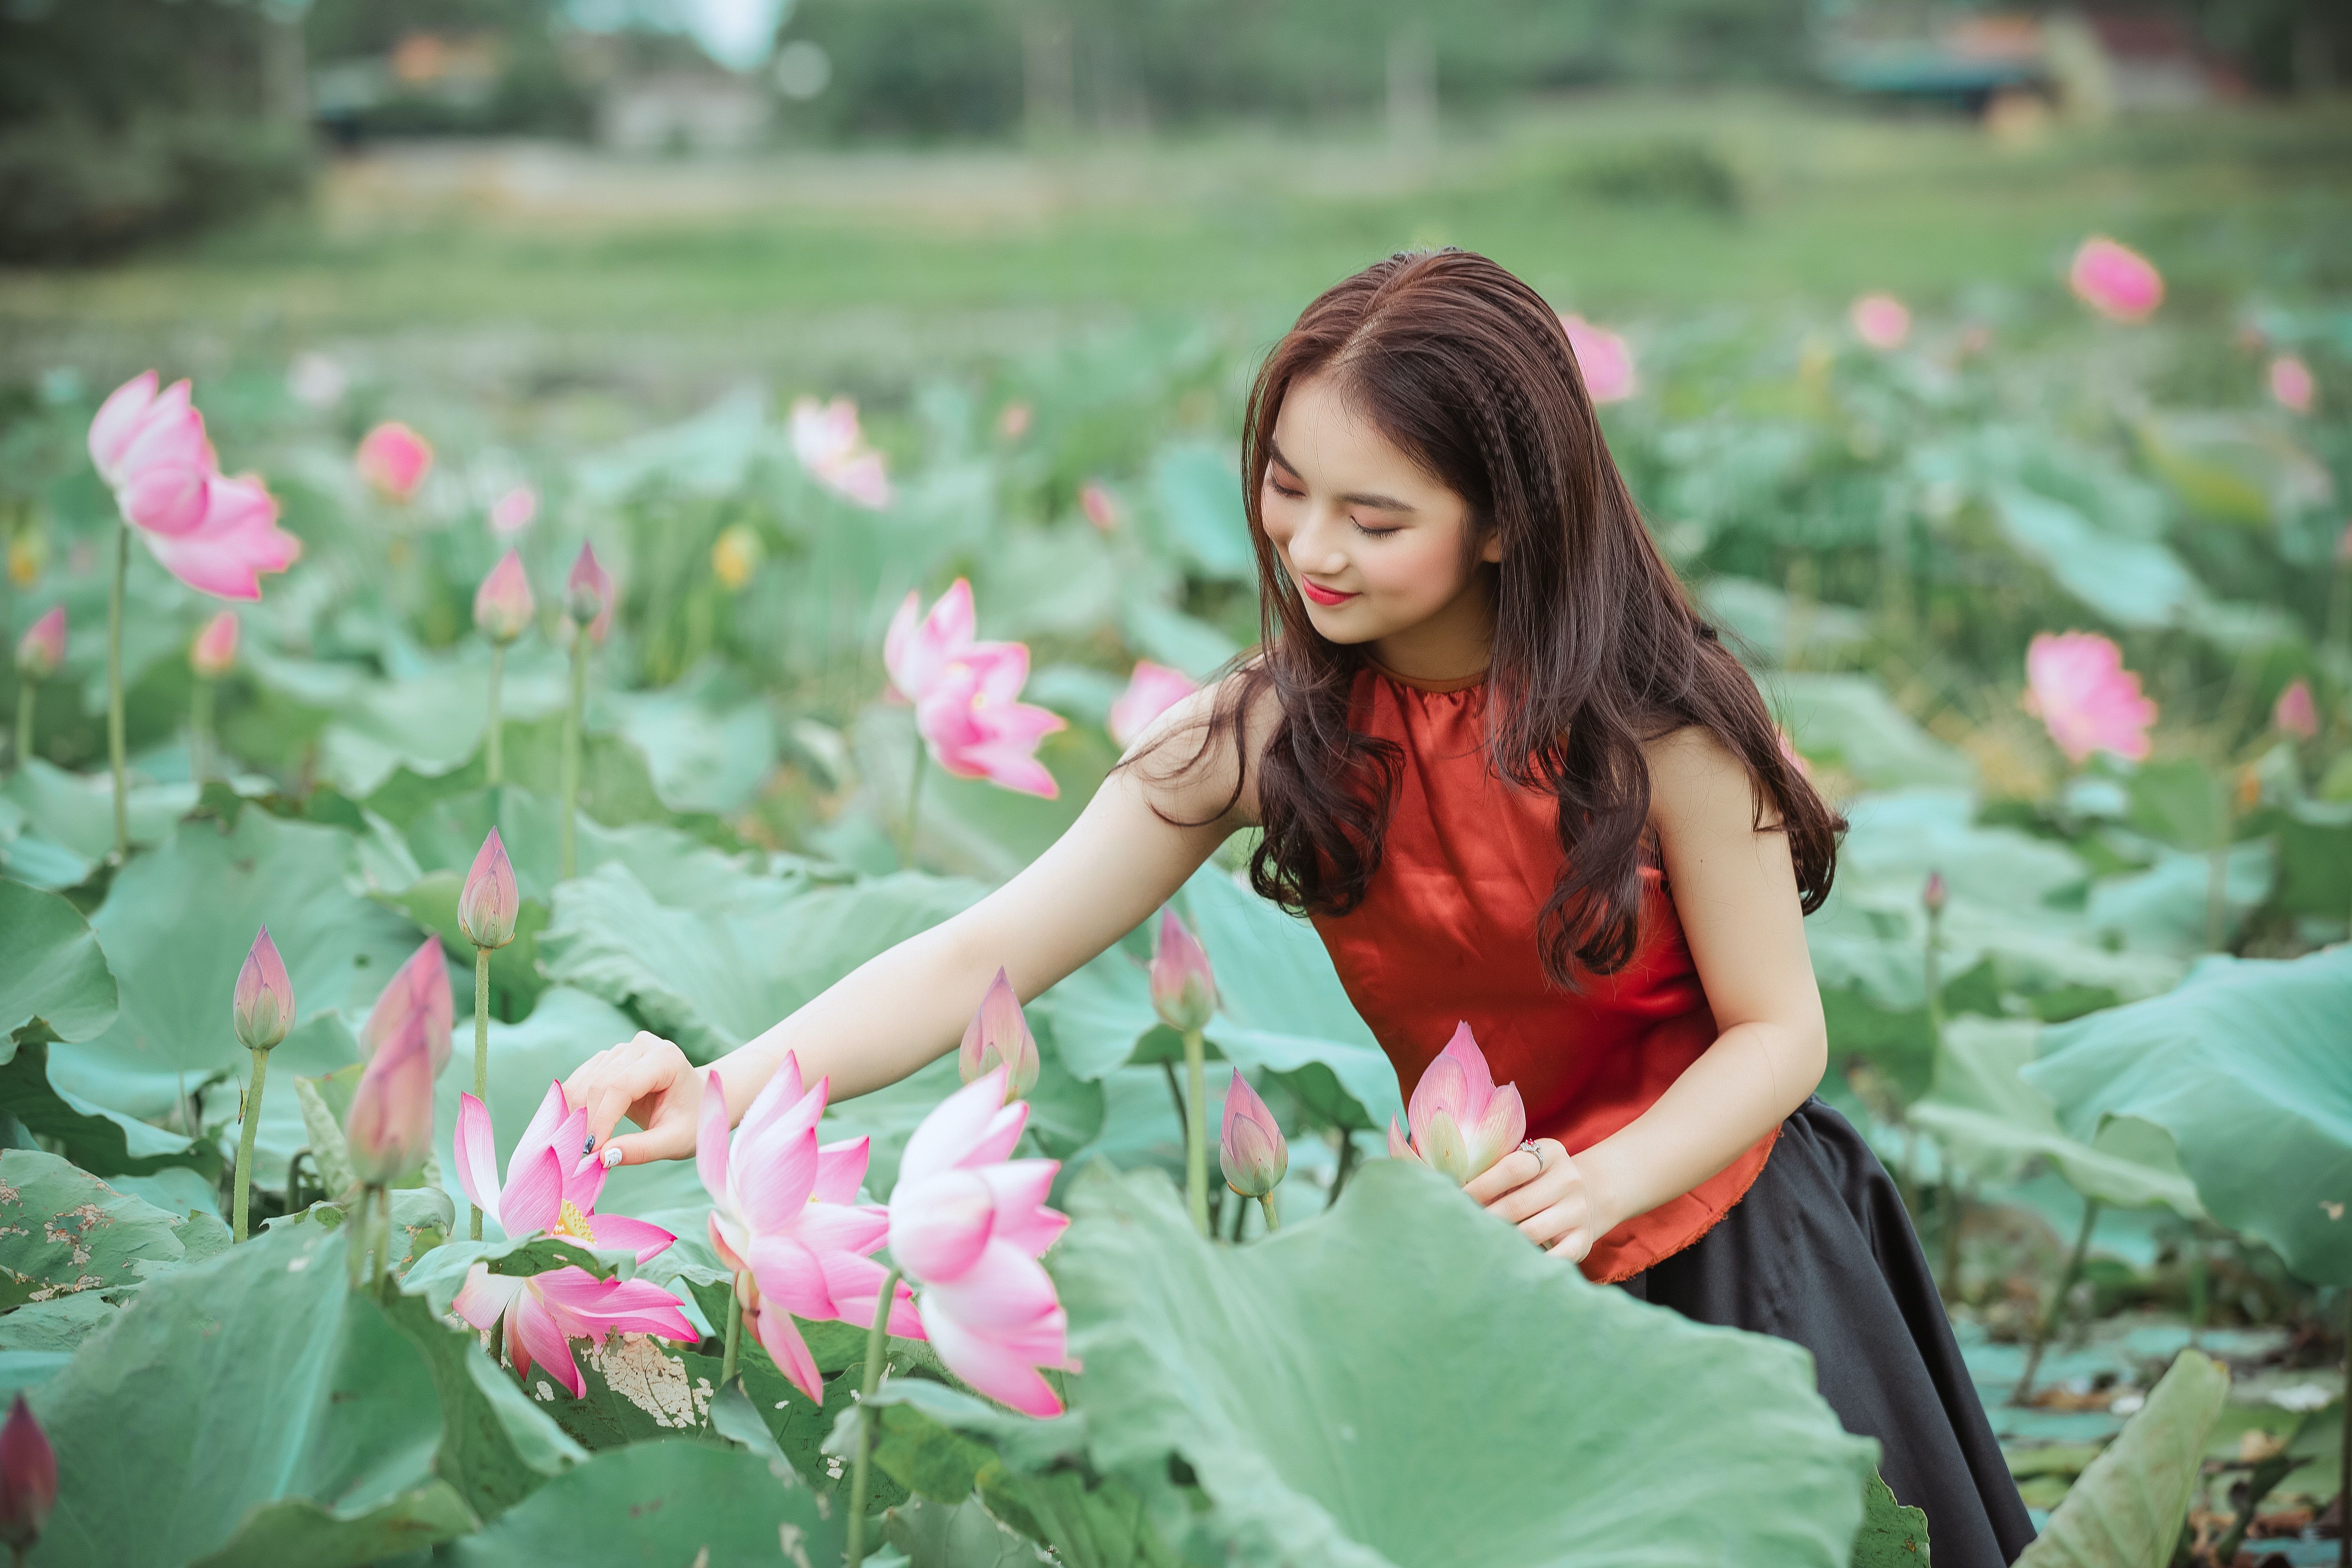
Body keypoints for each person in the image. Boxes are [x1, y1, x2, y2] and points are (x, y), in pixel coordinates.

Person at [561, 249, 2034, 1564]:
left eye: (1373, 517)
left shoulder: (1666, 728)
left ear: (1507, 520)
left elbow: (1783, 1037)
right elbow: (987, 946)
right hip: (1470, 1247)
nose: (1310, 549)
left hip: (1721, 1221)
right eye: (1283, 488)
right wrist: (726, 1084)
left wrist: (1604, 1184)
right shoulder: (1271, 734)